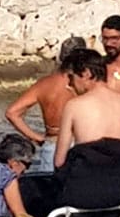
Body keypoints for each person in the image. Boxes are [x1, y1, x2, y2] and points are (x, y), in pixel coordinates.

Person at [53, 48, 120, 217]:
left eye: (71, 78)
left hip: (82, 193)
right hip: (117, 191)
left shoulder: (74, 106)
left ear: (86, 74)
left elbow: (59, 161)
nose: (69, 85)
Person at [5, 37, 86, 172]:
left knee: (49, 190)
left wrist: (36, 138)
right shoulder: (86, 83)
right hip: (80, 144)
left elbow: (12, 113)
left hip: (53, 144)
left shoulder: (45, 84)